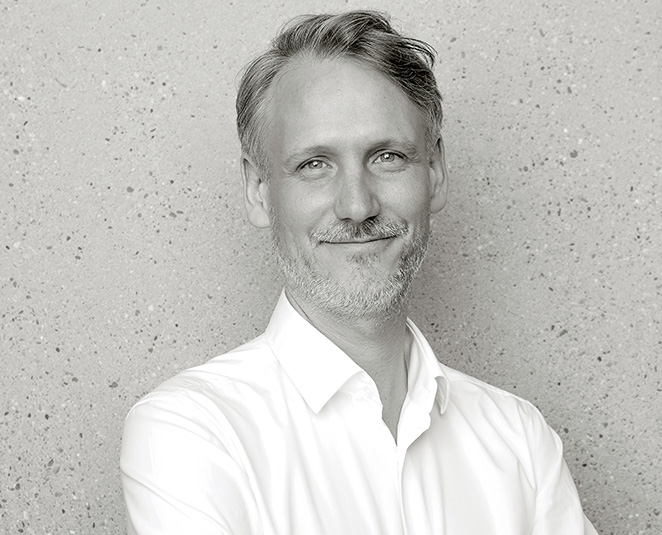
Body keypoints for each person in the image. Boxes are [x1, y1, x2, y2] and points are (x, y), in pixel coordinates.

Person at [120, 10, 598, 534]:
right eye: (314, 165)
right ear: (258, 190)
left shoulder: (521, 440)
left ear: (435, 172)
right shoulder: (191, 431)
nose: (356, 206)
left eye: (387, 157)